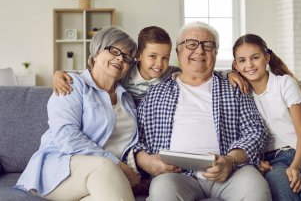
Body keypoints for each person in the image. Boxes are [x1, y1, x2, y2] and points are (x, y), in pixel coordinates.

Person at [134, 21, 271, 201]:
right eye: (191, 44)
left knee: (255, 188)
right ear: (178, 52)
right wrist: (146, 160)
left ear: (215, 52)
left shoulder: (234, 87)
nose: (199, 51)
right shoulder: (155, 94)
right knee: (162, 191)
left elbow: (255, 131)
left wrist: (230, 161)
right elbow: (137, 140)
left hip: (231, 173)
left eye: (208, 45)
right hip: (176, 176)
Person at [15, 27, 140, 201]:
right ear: (96, 52)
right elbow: (66, 136)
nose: (120, 58)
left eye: (126, 57)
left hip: (104, 178)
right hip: (62, 167)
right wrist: (117, 164)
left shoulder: (126, 98)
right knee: (104, 167)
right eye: (114, 50)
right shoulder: (72, 85)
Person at [231, 34, 301, 201]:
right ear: (236, 65)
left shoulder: (285, 83)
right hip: (272, 161)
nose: (249, 65)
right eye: (242, 60)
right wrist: (229, 74)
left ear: (266, 58)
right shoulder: (240, 93)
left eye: (255, 58)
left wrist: (296, 165)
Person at [53, 26, 179, 106]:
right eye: (153, 56)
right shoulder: (124, 70)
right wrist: (60, 74)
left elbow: (189, 74)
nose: (159, 63)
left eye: (165, 58)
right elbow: (91, 76)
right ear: (138, 55)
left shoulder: (169, 74)